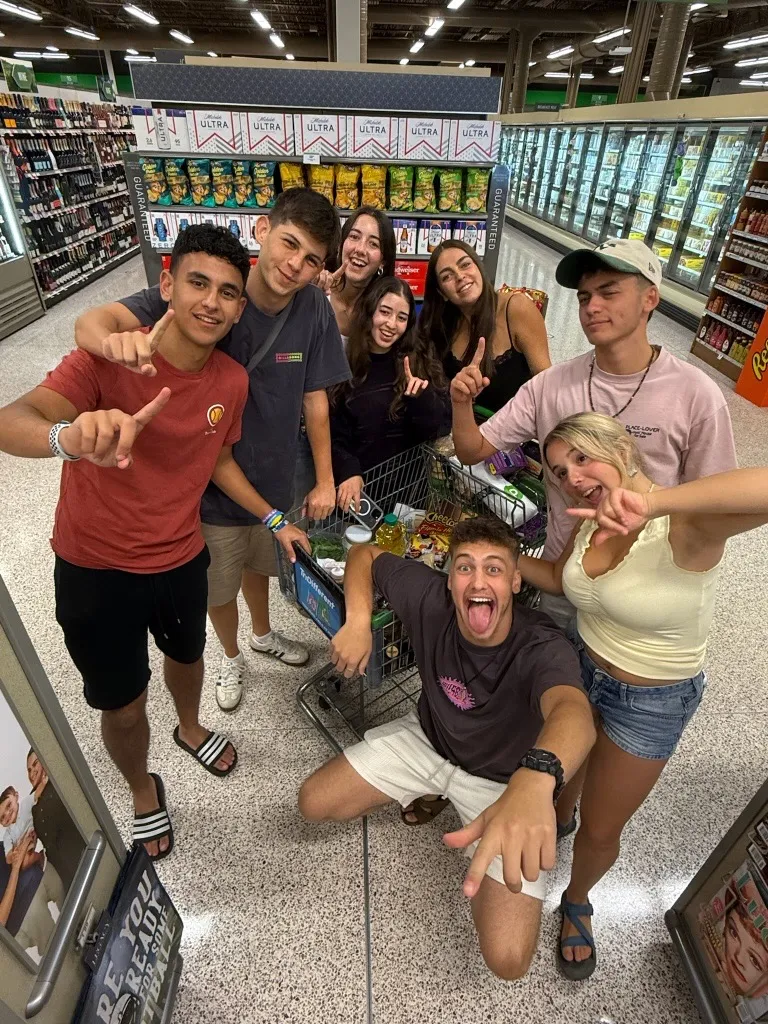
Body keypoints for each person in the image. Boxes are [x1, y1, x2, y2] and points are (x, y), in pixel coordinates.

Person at [0, 225, 311, 860]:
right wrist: (69, 437)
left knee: (188, 657)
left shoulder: (229, 381)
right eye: (197, 282)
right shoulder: (108, 361)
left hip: (180, 558)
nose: (212, 302)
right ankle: (143, 788)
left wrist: (273, 518)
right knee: (122, 706)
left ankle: (191, 728)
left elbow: (218, 461)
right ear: (165, 285)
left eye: (228, 292)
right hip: (95, 569)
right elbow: (13, 421)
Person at [74, 189, 351, 713]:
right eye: (289, 244)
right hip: (207, 484)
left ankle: (263, 634)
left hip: (273, 477)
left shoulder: (313, 306)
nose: (295, 265)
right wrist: (115, 346)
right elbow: (94, 322)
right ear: (263, 231)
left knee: (263, 563)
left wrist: (323, 477)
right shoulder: (211, 286)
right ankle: (230, 654)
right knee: (219, 582)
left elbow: (316, 399)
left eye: (311, 258)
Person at [515, 411, 768, 980]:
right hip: (581, 668)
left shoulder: (684, 526)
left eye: (583, 457)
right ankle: (562, 814)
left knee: (605, 827)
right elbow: (565, 579)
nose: (572, 477)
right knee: (567, 782)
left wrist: (657, 503)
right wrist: (509, 562)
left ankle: (577, 900)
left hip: (650, 702)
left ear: (621, 447)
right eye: (560, 470)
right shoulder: (590, 517)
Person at [298, 516, 596, 981]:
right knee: (312, 803)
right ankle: (432, 791)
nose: (478, 581)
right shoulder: (429, 596)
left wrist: (536, 779)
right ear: (450, 578)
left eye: (494, 569)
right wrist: (358, 622)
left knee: (509, 959)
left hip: (504, 784)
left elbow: (573, 713)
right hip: (428, 740)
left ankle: (453, 798)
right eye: (465, 567)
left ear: (516, 581)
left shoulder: (541, 645)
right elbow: (365, 556)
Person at [450, 237, 737, 630]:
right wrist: (461, 403)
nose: (592, 307)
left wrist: (650, 512)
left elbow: (719, 503)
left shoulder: (695, 396)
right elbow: (472, 451)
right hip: (564, 583)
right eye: (584, 298)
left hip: (644, 597)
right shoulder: (549, 386)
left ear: (650, 298)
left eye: (609, 292)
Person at [330, 275, 451, 514]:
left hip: (408, 499)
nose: (391, 324)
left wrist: (421, 398)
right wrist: (348, 469)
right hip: (359, 498)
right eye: (384, 312)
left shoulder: (419, 361)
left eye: (401, 318)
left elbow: (440, 429)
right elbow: (333, 434)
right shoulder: (345, 364)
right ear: (369, 311)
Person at [419, 239, 550, 414]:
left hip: (514, 432)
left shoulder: (515, 308)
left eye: (465, 265)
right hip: (460, 430)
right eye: (447, 276)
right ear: (441, 292)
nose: (460, 276)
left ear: (479, 267)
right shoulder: (441, 326)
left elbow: (546, 385)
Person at [318, 206, 397, 343]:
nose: (360, 249)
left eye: (373, 244)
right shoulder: (319, 292)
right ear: (340, 245)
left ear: (383, 261)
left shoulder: (385, 310)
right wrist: (309, 296)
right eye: (354, 237)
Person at [28, 750, 85, 892]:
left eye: (35, 764)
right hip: (63, 874)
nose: (32, 772)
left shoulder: (58, 783)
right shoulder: (32, 805)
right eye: (29, 770)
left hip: (81, 857)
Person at [0, 786, 34, 862]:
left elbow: (36, 795)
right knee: (24, 861)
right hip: (23, 852)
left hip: (35, 835)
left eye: (8, 805)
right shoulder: (7, 835)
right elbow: (8, 857)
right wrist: (12, 855)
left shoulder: (25, 805)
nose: (7, 814)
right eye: (2, 817)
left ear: (16, 796)